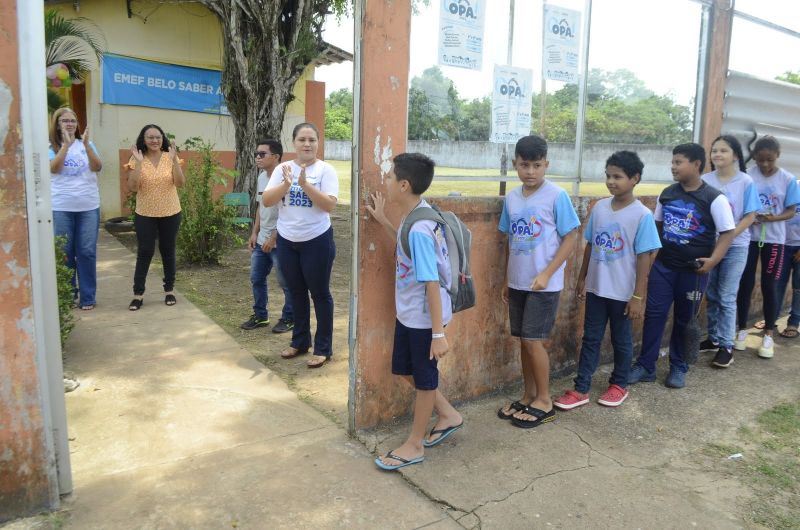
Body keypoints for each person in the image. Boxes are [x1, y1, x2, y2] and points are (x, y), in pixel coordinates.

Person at [366, 153, 463, 470]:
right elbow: (409, 249)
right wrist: (382, 221)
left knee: (424, 380)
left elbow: (431, 282)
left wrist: (438, 333)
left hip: (424, 319)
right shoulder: (418, 215)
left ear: (404, 184)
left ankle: (414, 445)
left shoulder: (420, 227)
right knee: (406, 370)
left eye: (391, 177)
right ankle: (447, 414)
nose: (388, 181)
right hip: (411, 314)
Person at [554, 151, 660, 411]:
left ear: (634, 179)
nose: (612, 181)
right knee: (591, 337)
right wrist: (582, 278)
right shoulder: (600, 207)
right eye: (608, 176)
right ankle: (581, 388)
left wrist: (638, 297)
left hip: (623, 293)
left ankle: (619, 384)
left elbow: (646, 257)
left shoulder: (642, 215)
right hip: (597, 289)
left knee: (621, 339)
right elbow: (590, 245)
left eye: (618, 177)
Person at [628, 143, 735, 389]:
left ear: (696, 164)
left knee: (685, 320)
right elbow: (656, 228)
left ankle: (679, 366)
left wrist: (713, 260)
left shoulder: (714, 198)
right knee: (654, 316)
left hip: (694, 273)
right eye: (673, 162)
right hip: (664, 268)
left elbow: (728, 233)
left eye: (678, 162)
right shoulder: (667, 194)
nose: (673, 167)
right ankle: (646, 365)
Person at [496, 135, 580, 428]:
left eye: (536, 165)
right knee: (523, 341)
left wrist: (546, 274)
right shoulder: (513, 198)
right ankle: (529, 394)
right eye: (524, 165)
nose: (530, 171)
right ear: (515, 165)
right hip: (519, 283)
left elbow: (571, 237)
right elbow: (509, 240)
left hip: (544, 285)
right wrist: (508, 279)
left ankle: (545, 400)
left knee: (534, 341)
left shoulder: (557, 196)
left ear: (546, 165)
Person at [262, 122, 338, 368]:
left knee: (320, 294)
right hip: (287, 240)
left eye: (312, 140)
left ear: (318, 143)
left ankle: (323, 348)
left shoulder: (326, 170)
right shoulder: (283, 169)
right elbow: (267, 201)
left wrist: (305, 185)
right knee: (296, 293)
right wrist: (286, 184)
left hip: (317, 240)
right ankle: (299, 342)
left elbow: (328, 205)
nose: (307, 144)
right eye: (302, 139)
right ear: (293, 143)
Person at [697, 135, 759, 368]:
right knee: (712, 293)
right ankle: (713, 339)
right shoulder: (705, 179)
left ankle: (726, 346)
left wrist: (727, 236)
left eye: (723, 151)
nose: (717, 155)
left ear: (735, 155)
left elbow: (750, 216)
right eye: (714, 151)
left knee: (726, 295)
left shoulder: (746, 181)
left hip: (736, 247)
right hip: (709, 246)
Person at [736, 136, 800, 358]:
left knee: (770, 285)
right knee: (744, 283)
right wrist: (749, 217)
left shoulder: (788, 179)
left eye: (769, 160)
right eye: (760, 159)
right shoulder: (747, 176)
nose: (764, 164)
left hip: (774, 240)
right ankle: (741, 329)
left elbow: (791, 210)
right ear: (754, 157)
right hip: (747, 238)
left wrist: (772, 218)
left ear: (777, 156)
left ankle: (769, 334)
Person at [126, 124, 185, 311]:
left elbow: (180, 183)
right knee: (145, 252)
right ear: (143, 139)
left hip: (171, 212)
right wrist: (138, 163)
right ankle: (138, 294)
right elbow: (133, 187)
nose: (154, 140)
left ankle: (169, 290)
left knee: (168, 251)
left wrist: (175, 161)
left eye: (158, 137)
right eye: (150, 137)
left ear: (162, 138)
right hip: (145, 213)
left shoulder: (170, 157)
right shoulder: (136, 158)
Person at [48, 107, 103, 310]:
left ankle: (88, 297)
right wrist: (65, 147)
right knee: (65, 252)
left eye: (73, 120)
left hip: (88, 206)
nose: (70, 124)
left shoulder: (87, 145)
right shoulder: (50, 146)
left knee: (87, 251)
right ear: (57, 124)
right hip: (61, 206)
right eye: (65, 121)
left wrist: (86, 146)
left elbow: (97, 167)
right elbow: (53, 169)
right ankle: (69, 294)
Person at [240, 140, 294, 333]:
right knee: (256, 278)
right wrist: (254, 232)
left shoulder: (287, 179)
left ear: (276, 157)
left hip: (280, 242)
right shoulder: (262, 177)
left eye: (262, 154)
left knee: (286, 283)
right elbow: (260, 206)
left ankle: (289, 318)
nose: (257, 157)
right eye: (256, 153)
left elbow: (291, 213)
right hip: (261, 239)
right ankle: (261, 316)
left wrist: (274, 237)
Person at [774, 200, 800, 338]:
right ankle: (771, 318)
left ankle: (794, 322)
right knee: (776, 284)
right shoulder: (793, 186)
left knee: (798, 288)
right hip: (781, 244)